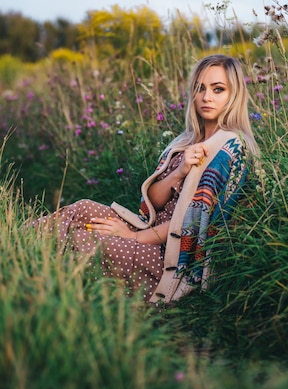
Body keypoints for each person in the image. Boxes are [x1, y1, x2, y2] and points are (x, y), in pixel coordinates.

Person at [33, 54, 259, 303]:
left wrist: (133, 238)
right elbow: (152, 201)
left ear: (234, 94)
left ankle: (39, 282)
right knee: (82, 208)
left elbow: (192, 224)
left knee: (82, 238)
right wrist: (179, 171)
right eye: (200, 88)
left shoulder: (229, 149)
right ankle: (17, 247)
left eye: (218, 90)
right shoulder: (184, 142)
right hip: (148, 230)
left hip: (168, 256)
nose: (206, 97)